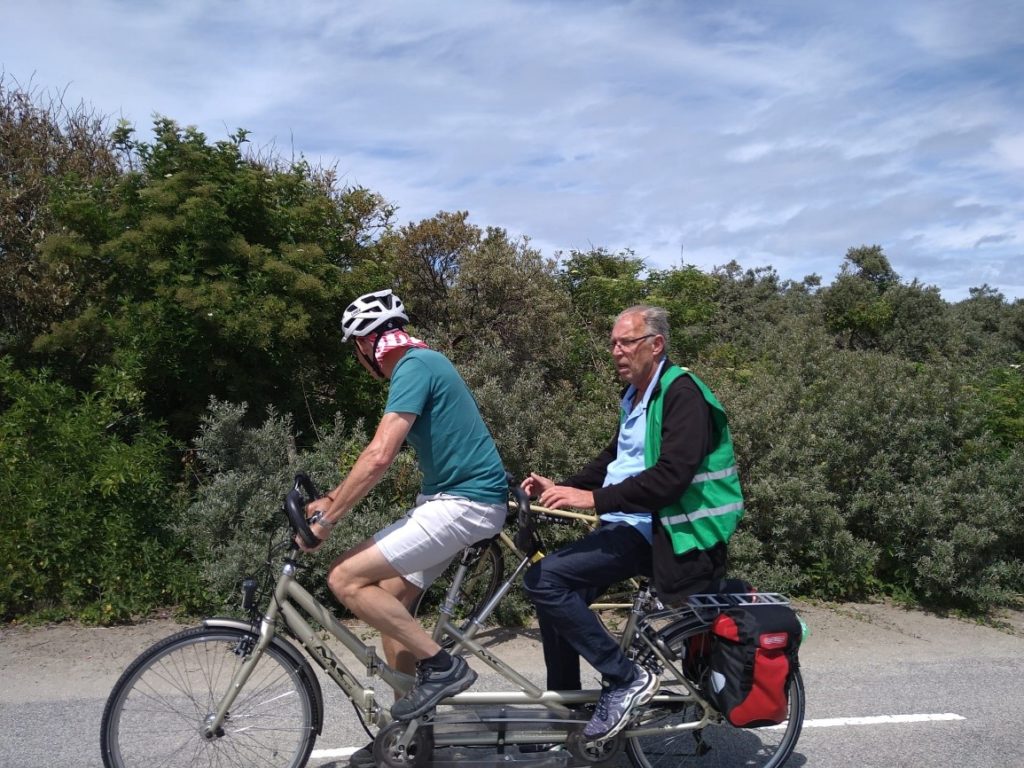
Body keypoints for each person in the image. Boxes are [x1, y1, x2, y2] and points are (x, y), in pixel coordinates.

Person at [298, 289, 508, 765]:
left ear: (366, 345)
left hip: (465, 503)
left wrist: (328, 519)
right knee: (390, 605)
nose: (359, 359)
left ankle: (443, 667)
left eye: (357, 350)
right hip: (454, 501)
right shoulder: (423, 362)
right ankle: (407, 738)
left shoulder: (414, 366)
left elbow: (378, 457)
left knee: (344, 577)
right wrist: (330, 497)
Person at [521, 304, 744, 742]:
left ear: (655, 345)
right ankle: (569, 713)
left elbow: (670, 478)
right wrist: (559, 487)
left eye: (626, 342)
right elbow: (615, 460)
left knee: (545, 580)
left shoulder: (683, 394)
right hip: (631, 523)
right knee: (555, 603)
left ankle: (626, 680)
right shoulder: (638, 395)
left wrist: (592, 499)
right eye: (613, 343)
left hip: (671, 532)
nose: (616, 352)